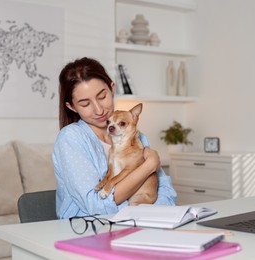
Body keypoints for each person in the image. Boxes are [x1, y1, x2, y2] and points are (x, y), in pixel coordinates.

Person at [52, 57, 177, 219]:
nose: (99, 110)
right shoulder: (71, 139)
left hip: (141, 225)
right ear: (71, 107)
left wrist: (152, 215)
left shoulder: (136, 136)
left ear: (112, 88)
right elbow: (96, 205)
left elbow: (166, 192)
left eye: (102, 96)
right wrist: (149, 166)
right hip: (87, 231)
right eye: (85, 104)